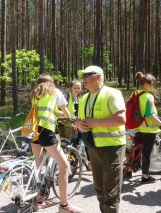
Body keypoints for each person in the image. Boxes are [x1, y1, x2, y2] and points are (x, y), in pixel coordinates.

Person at [75, 66, 126, 213]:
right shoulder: (84, 98)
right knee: (99, 189)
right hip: (92, 147)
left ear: (98, 77)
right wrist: (81, 124)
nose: (83, 79)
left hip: (112, 148)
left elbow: (121, 119)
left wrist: (94, 123)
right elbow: (78, 121)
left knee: (110, 192)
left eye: (87, 75)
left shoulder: (112, 93)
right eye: (82, 76)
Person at [30, 74, 82, 213]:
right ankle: (64, 205)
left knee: (38, 164)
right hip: (47, 131)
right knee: (64, 167)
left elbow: (48, 111)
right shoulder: (55, 92)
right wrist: (69, 116)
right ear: (51, 82)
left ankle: (39, 200)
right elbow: (65, 113)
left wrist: (56, 113)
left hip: (34, 131)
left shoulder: (36, 93)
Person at [126, 72, 161, 183]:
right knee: (146, 153)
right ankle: (145, 176)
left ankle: (128, 169)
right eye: (153, 83)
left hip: (137, 127)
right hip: (149, 129)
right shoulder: (149, 96)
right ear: (148, 84)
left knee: (136, 150)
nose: (153, 85)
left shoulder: (134, 93)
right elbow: (150, 116)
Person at [64, 80, 91, 171]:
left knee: (87, 139)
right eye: (75, 88)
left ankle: (89, 162)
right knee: (73, 144)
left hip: (77, 124)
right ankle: (72, 165)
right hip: (67, 125)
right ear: (70, 88)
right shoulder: (67, 97)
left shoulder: (80, 99)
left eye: (79, 88)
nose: (77, 89)